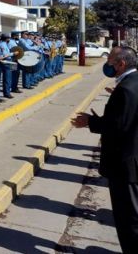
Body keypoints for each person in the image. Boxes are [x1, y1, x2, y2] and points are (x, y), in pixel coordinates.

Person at [71, 46, 138, 253]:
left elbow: (118, 126)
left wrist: (90, 121)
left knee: (128, 218)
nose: (107, 64)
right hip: (132, 158)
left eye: (110, 60)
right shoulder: (131, 83)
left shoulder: (126, 89)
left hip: (125, 163)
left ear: (121, 64)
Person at [0, 34, 14, 99]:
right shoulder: (3, 45)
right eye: (8, 38)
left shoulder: (5, 44)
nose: (9, 39)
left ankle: (7, 92)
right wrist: (13, 53)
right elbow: (5, 54)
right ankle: (7, 93)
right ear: (6, 38)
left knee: (8, 78)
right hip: (6, 61)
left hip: (8, 61)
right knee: (7, 78)